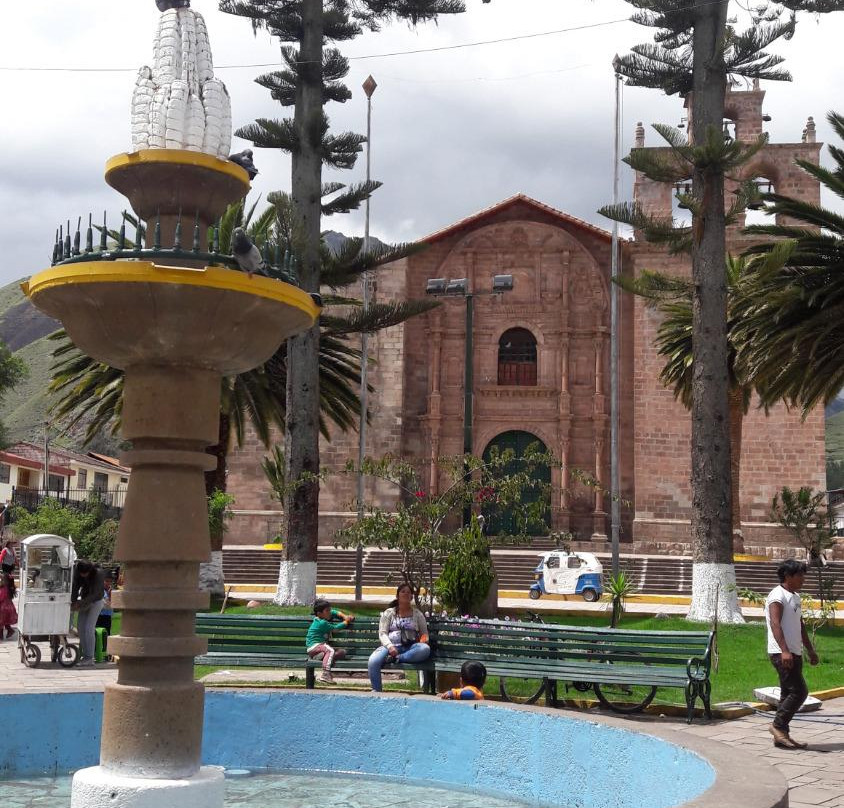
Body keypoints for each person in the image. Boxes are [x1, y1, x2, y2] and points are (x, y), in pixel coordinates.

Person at [765, 558, 819, 750]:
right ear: (788, 576)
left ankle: (782, 736)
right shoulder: (777, 595)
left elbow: (799, 625)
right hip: (782, 653)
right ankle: (777, 726)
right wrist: (785, 651)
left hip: (794, 652)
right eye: (799, 575)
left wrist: (810, 649)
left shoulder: (794, 596)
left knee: (787, 693)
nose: (803, 578)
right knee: (799, 691)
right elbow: (775, 624)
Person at [368, 583, 431, 692]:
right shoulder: (389, 613)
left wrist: (424, 640)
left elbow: (424, 633)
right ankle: (376, 691)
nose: (406, 594)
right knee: (373, 661)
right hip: (390, 648)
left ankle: (398, 659)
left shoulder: (418, 614)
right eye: (403, 591)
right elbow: (382, 633)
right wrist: (390, 646)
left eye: (409, 592)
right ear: (397, 596)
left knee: (425, 649)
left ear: (411, 597)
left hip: (410, 647)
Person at [306, 599, 354, 684]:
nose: (329, 612)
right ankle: (325, 674)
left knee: (341, 652)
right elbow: (335, 629)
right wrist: (346, 621)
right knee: (330, 650)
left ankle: (320, 656)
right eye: (327, 611)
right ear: (319, 613)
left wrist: (344, 616)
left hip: (318, 648)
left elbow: (334, 612)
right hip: (315, 645)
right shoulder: (321, 623)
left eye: (329, 610)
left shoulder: (322, 617)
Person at [71, 560, 106, 667]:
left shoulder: (98, 573)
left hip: (96, 601)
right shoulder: (77, 571)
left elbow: (95, 594)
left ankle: (89, 657)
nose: (83, 575)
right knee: (81, 628)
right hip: (84, 600)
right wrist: (73, 601)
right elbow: (75, 587)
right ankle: (85, 655)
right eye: (81, 573)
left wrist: (81, 602)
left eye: (85, 574)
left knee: (89, 629)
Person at [0, 572, 17, 640]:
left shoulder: (4, 588)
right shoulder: (9, 587)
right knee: (3, 621)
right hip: (8, 607)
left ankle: (3, 634)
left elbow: (1, 597)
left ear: (6, 581)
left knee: (1, 621)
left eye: (2, 579)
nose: (1, 580)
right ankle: (8, 631)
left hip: (3, 607)